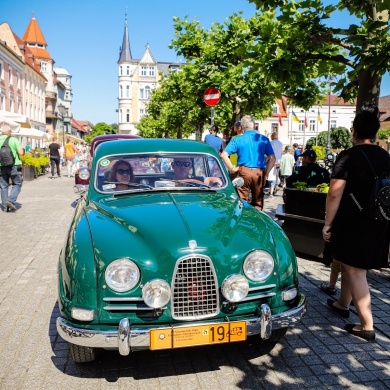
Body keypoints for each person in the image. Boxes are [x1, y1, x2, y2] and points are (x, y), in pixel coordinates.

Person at [323, 103, 390, 342]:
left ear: (354, 131)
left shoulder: (348, 156)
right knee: (350, 264)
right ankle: (343, 303)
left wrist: (327, 224)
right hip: (379, 220)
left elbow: (334, 193)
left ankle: (367, 325)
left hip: (353, 221)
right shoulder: (386, 156)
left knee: (356, 270)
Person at [221, 115, 275, 210]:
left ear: (241, 127)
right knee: (258, 202)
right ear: (254, 125)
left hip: (243, 172)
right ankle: (256, 221)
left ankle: (242, 220)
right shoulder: (263, 139)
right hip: (258, 172)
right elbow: (272, 158)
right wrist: (266, 173)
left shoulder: (237, 139)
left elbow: (223, 155)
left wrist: (232, 169)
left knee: (242, 201)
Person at [0, 123, 25, 212]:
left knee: (3, 186)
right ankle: (10, 200)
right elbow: (21, 153)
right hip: (14, 166)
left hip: (2, 167)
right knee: (17, 184)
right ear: (9, 132)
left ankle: (5, 207)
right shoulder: (13, 139)